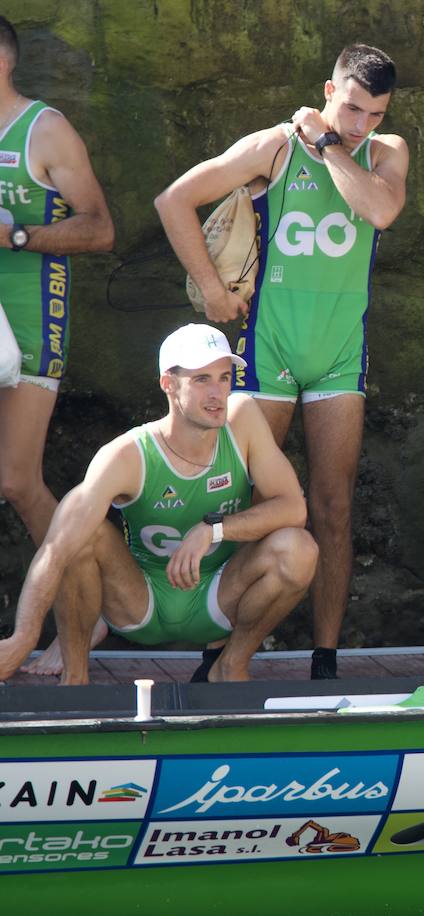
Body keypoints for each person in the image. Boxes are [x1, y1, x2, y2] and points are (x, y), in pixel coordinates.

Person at [155, 44, 409, 679]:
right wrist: (212, 291)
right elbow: (173, 201)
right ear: (328, 88)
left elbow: (379, 210)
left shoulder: (385, 152)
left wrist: (330, 145)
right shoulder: (274, 146)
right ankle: (216, 652)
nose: (361, 124)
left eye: (373, 114)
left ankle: (325, 657)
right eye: (350, 108)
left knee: (333, 505)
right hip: (265, 351)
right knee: (238, 504)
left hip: (339, 356)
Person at [0, 325, 317, 685]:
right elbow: (55, 550)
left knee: (298, 548)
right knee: (78, 528)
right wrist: (23, 638)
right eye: (201, 380)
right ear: (168, 384)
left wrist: (213, 530)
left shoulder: (241, 418)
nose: (217, 394)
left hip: (218, 594)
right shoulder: (127, 454)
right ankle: (75, 679)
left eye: (224, 378)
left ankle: (231, 665)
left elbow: (294, 508)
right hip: (140, 603)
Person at [0, 14, 115, 662]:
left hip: (30, 322)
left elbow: (99, 229)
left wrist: (16, 236)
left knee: (17, 480)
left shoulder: (43, 130)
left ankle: (86, 609)